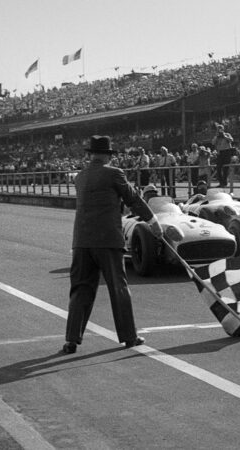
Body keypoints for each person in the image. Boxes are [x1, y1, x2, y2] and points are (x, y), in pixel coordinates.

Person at [63, 135, 162, 354]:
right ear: (108, 155)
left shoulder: (80, 177)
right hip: (107, 239)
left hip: (81, 240)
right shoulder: (114, 173)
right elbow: (133, 199)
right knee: (118, 287)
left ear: (91, 154)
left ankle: (71, 339)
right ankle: (128, 336)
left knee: (80, 289)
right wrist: (153, 221)